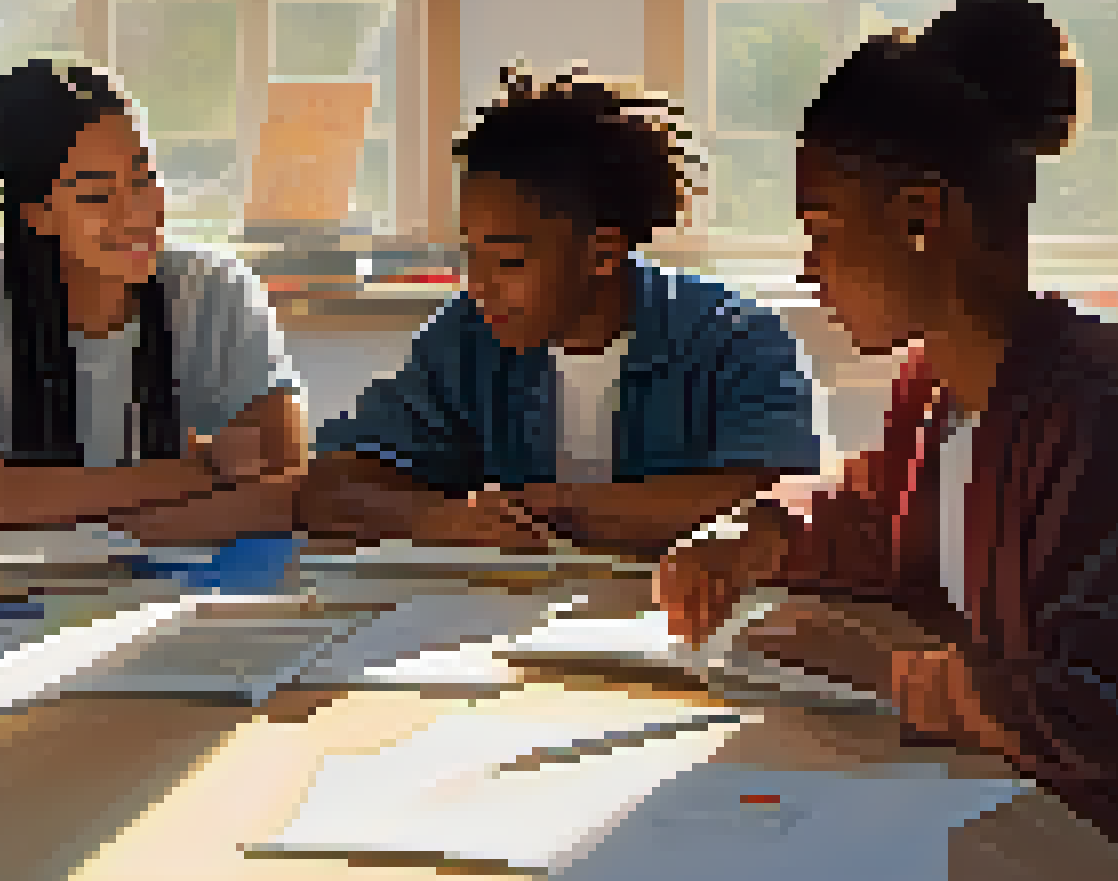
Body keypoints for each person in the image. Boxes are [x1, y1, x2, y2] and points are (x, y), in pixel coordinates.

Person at [654, 0, 1118, 881]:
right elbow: (877, 510)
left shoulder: (1102, 420)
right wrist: (756, 532)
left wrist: (886, 672)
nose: (809, 268)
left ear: (923, 219)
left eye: (824, 231)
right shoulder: (938, 386)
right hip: (996, 801)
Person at [299, 66, 821, 557]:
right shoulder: (465, 336)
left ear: (603, 252)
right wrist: (435, 519)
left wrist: (556, 510)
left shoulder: (738, 339)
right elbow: (329, 484)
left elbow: (782, 504)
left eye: (508, 260)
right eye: (470, 256)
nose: (478, 285)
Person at [0, 59, 307, 546]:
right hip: (3, 603)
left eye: (144, 180)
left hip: (183, 596)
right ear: (36, 213)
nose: (138, 213)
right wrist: (199, 472)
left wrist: (22, 499)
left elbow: (284, 486)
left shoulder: (215, 288)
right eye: (99, 195)